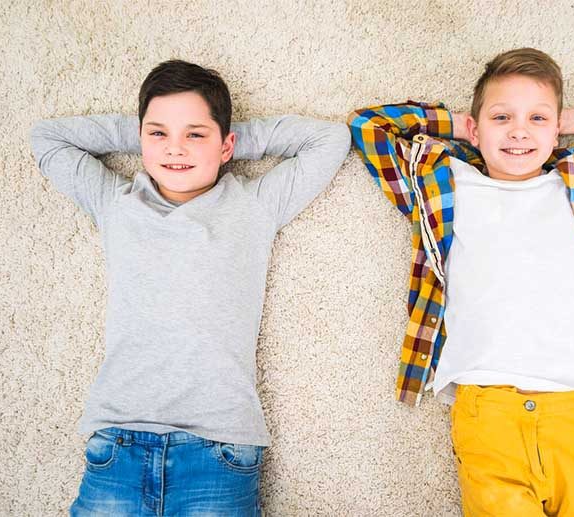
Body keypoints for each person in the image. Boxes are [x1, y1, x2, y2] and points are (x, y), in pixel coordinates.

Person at [348, 47, 574, 515]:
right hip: (487, 407)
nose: (519, 130)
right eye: (502, 117)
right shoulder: (445, 183)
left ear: (556, 126)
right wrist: (460, 127)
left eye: (537, 118)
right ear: (476, 128)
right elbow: (369, 128)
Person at [30, 59, 351, 516]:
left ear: (227, 145)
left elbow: (330, 139)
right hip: (118, 441)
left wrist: (218, 140)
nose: (176, 149)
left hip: (218, 447)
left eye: (194, 135)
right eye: (159, 134)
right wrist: (150, 136)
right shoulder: (114, 202)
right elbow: (48, 137)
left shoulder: (254, 205)